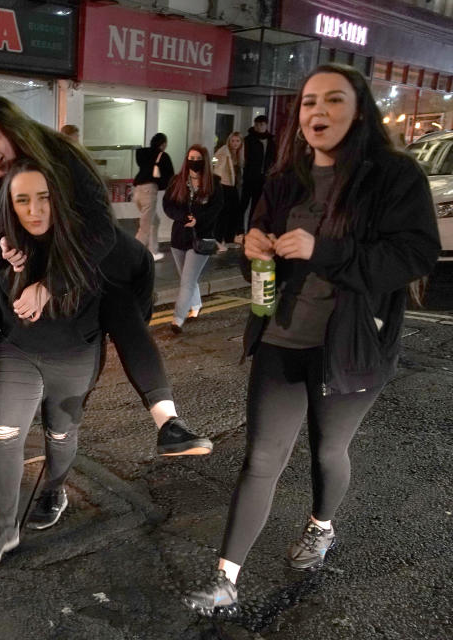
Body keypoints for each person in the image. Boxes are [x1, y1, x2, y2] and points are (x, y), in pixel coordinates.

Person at [183, 63, 440, 617]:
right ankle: (225, 580)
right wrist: (254, 244)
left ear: (360, 109)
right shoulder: (285, 178)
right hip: (280, 336)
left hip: (349, 347)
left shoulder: (394, 178)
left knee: (327, 449)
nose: (317, 112)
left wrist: (325, 250)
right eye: (307, 103)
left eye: (333, 101)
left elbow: (416, 255)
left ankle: (321, 526)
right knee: (261, 457)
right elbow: (267, 244)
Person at [0, 95, 212, 465]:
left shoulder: (62, 156)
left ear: (15, 131)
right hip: (32, 265)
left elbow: (99, 230)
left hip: (91, 259)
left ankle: (168, 423)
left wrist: (51, 284)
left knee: (120, 312)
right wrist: (1, 246)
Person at [0, 159, 103, 564]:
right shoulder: (3, 238)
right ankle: (6, 526)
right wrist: (1, 260)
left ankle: (53, 489)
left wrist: (46, 287)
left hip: (74, 353)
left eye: (44, 198)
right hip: (19, 350)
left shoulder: (88, 237)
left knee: (60, 435)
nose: (34, 209)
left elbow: (90, 269)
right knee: (6, 434)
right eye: (23, 200)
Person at [163, 145, 223, 334]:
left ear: (204, 161)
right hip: (179, 237)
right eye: (191, 158)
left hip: (201, 238)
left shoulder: (213, 183)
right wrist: (183, 217)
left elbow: (216, 209)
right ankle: (196, 305)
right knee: (187, 278)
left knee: (187, 281)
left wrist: (198, 220)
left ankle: (177, 319)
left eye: (198, 159)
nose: (194, 162)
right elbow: (168, 205)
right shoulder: (177, 181)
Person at [133, 133, 175, 261]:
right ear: (163, 144)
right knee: (145, 227)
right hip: (149, 191)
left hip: (137, 192)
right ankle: (133, 254)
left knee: (154, 221)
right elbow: (170, 176)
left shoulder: (143, 153)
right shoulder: (163, 156)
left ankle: (153, 250)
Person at [240, 115, 276, 226]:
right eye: (257, 124)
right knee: (242, 205)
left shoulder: (271, 141)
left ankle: (251, 229)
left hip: (263, 178)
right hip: (249, 177)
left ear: (266, 125)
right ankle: (238, 230)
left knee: (256, 206)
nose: (259, 127)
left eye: (261, 124)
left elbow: (274, 158)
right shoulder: (248, 140)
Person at [213, 132, 245, 251]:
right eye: (233, 141)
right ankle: (218, 240)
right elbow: (214, 162)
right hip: (224, 186)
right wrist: (217, 179)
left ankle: (228, 239)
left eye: (237, 141)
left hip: (233, 187)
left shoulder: (238, 154)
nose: (235, 143)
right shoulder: (223, 151)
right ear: (229, 141)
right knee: (223, 214)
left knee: (233, 214)